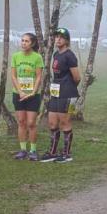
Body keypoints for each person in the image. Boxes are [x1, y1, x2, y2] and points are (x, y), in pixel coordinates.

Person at [41, 28, 80, 163]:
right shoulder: (56, 55)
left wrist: (67, 87)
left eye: (61, 37)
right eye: (56, 37)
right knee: (52, 122)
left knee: (65, 122)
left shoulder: (70, 56)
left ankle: (66, 153)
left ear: (67, 40)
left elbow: (77, 77)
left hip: (68, 94)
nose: (58, 39)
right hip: (55, 93)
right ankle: (52, 152)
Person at [11, 32, 44, 160]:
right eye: (22, 40)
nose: (23, 43)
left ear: (33, 43)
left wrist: (32, 92)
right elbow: (13, 76)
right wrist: (20, 92)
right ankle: (23, 150)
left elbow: (39, 77)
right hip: (18, 94)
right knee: (21, 122)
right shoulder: (15, 56)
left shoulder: (37, 58)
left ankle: (33, 151)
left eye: (26, 41)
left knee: (31, 123)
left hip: (33, 96)